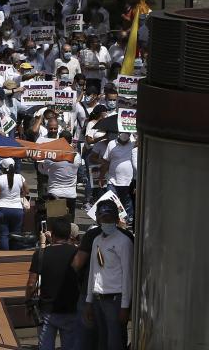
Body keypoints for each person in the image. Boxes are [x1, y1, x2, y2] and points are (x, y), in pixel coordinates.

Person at [82, 201, 133, 350]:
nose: (106, 222)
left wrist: (125, 306)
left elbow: (127, 276)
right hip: (98, 298)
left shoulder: (124, 242)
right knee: (102, 342)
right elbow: (93, 272)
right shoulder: (96, 240)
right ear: (97, 219)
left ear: (117, 219)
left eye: (110, 219)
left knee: (115, 343)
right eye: (103, 219)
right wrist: (89, 301)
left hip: (115, 300)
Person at [26, 218, 80, 350]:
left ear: (53, 235)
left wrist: (27, 301)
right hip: (71, 308)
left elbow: (31, 284)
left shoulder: (41, 254)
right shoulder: (77, 254)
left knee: (45, 345)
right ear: (69, 236)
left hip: (47, 309)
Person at [102, 133, 135, 226]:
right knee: (112, 202)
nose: (125, 135)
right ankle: (112, 221)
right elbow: (106, 161)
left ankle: (125, 222)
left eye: (128, 133)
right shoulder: (111, 144)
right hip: (112, 180)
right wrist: (101, 176)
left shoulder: (134, 144)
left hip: (129, 181)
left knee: (127, 204)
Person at [0, 158, 28, 234]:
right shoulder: (20, 177)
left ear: (2, 168)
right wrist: (20, 196)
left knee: (3, 234)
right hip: (17, 209)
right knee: (16, 235)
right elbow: (27, 191)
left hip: (2, 208)